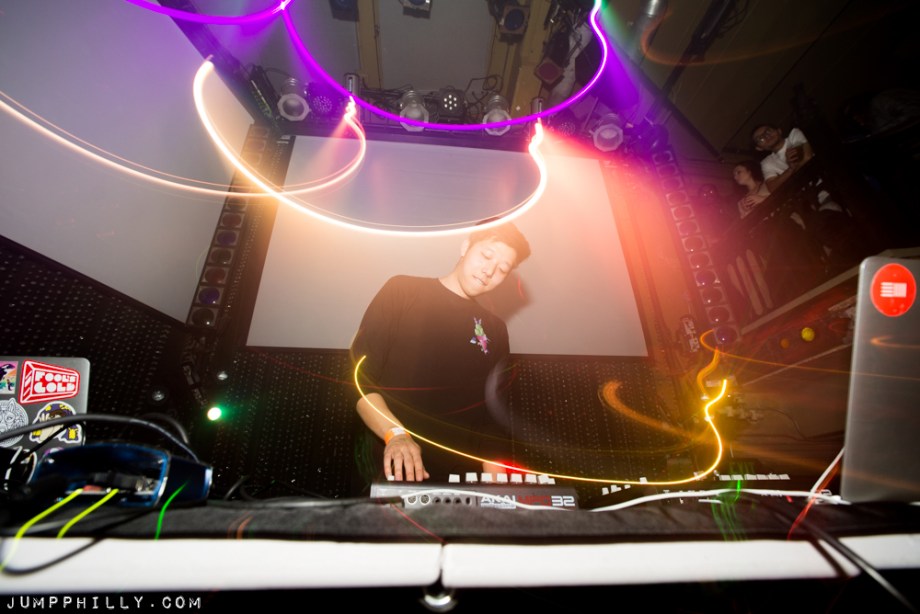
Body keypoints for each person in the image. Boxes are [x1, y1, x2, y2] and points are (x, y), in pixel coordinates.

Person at [351, 223, 531, 484]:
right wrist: (396, 435)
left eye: (503, 269)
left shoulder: (495, 329)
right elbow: (360, 379)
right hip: (394, 468)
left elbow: (491, 421)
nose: (489, 271)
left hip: (461, 481)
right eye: (486, 255)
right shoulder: (403, 291)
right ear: (465, 247)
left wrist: (499, 492)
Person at [752, 124, 814, 192]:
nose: (766, 136)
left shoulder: (794, 135)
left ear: (779, 131)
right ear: (759, 148)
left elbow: (808, 158)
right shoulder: (767, 162)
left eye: (768, 131)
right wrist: (790, 169)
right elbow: (772, 188)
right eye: (760, 139)